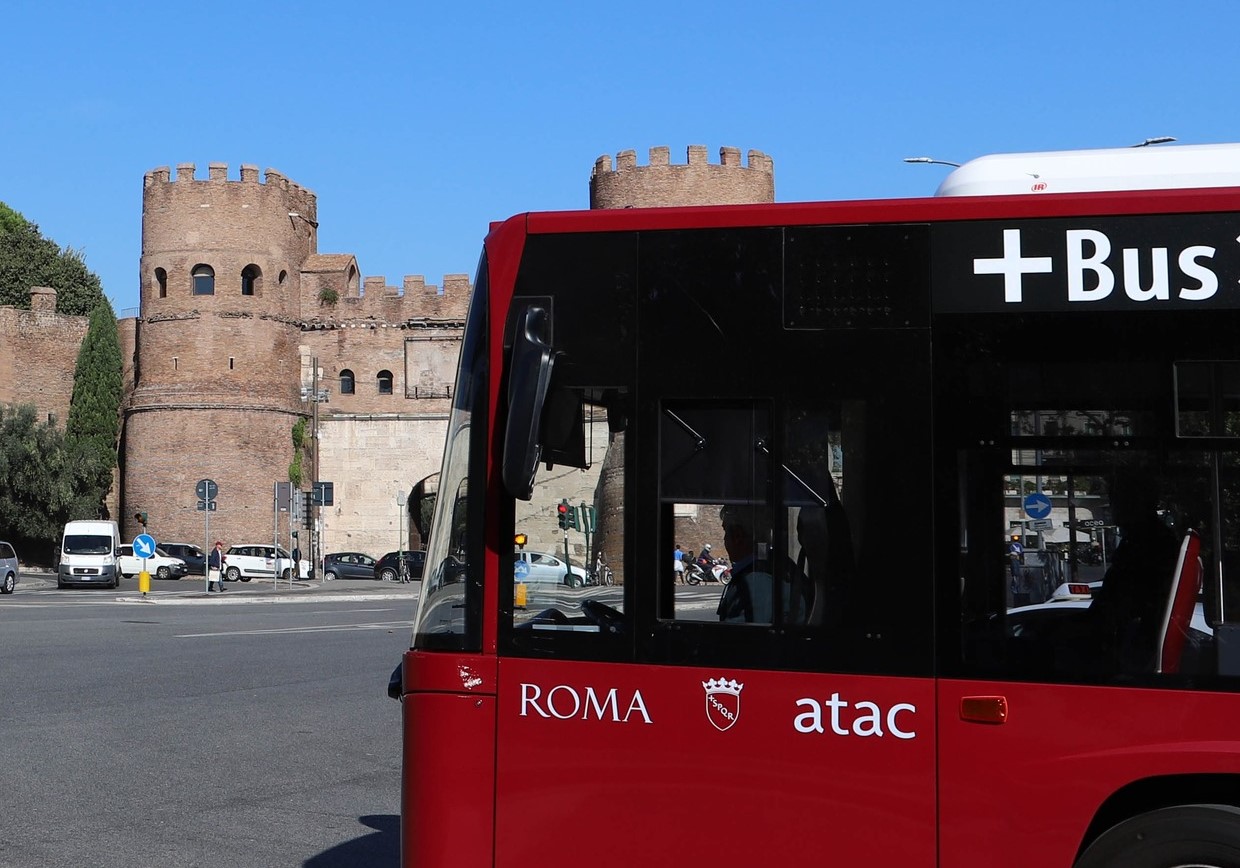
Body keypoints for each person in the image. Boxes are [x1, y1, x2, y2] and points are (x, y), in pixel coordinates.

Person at [1088, 472, 1181, 673]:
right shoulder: (1147, 538)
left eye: (1116, 500)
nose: (1112, 508)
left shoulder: (1145, 543)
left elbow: (1120, 599)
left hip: (1135, 648)